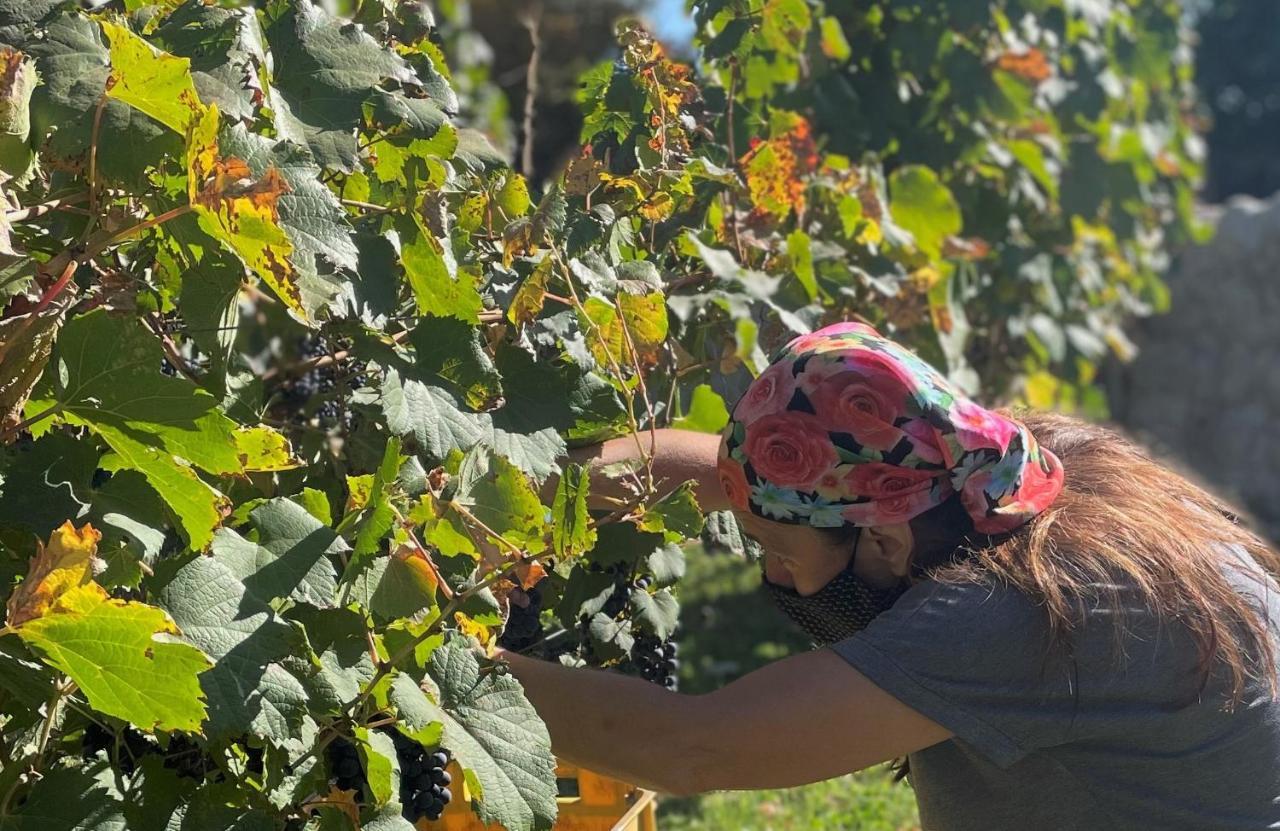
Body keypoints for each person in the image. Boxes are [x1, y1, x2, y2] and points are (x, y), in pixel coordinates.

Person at [502, 321, 1280, 830]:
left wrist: (441, 664)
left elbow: (696, 748)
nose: (773, 576)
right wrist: (499, 495)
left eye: (779, 553)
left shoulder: (1003, 610)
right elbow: (725, 473)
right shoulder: (996, 471)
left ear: (884, 546)